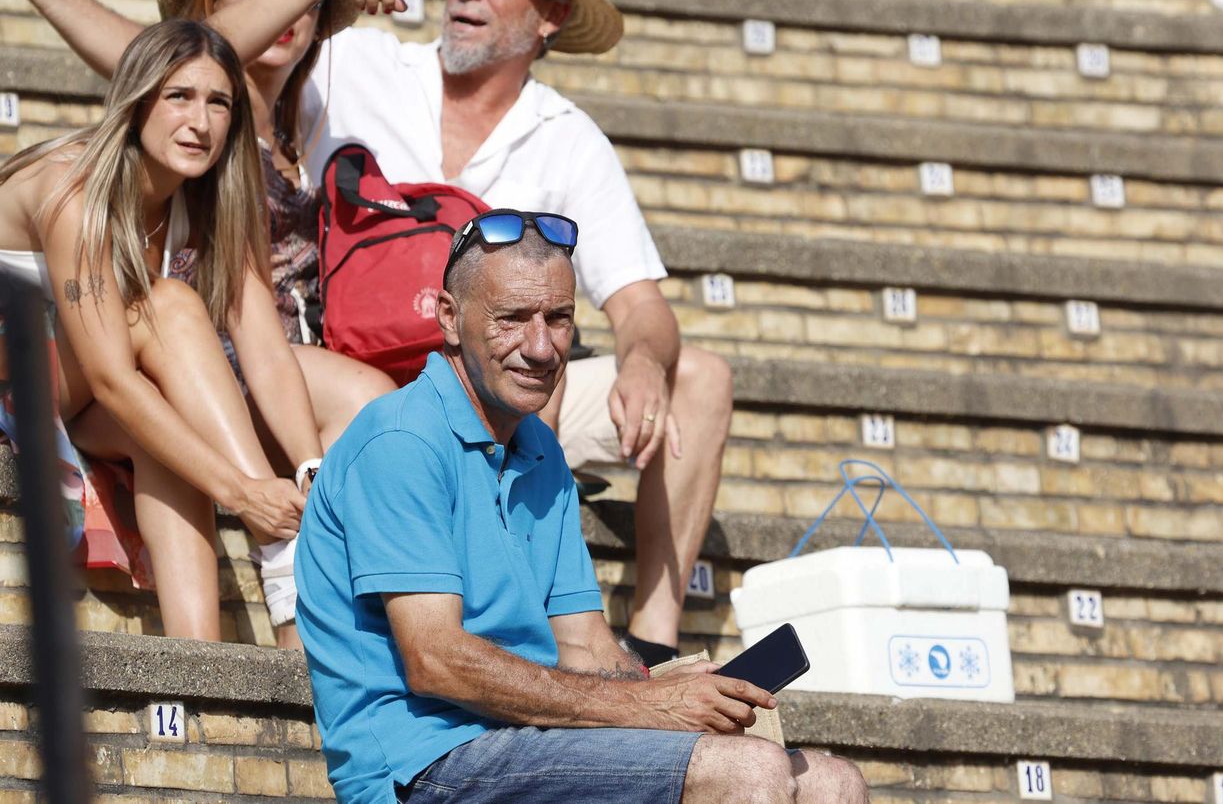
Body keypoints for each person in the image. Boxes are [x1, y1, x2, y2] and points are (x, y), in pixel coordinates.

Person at [0, 0, 734, 662]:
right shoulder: (349, 75)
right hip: (42, 362)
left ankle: (620, 640)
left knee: (665, 376)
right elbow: (180, 57)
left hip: (332, 372)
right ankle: (422, 613)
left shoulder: (563, 136)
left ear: (550, 15)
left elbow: (638, 301)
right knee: (189, 322)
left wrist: (642, 357)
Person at [293, 211, 867, 804]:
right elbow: (436, 660)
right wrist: (646, 705)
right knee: (749, 774)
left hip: (532, 742)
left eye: (559, 319)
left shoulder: (539, 447)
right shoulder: (399, 441)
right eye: (512, 319)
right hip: (424, 765)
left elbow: (585, 643)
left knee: (833, 782)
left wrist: (669, 686)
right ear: (449, 318)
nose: (541, 347)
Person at [0, 18, 318, 645]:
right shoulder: (74, 186)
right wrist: (244, 494)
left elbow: (268, 353)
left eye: (219, 102)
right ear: (137, 101)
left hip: (75, 383)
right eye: (179, 97)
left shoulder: (219, 200)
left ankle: (204, 664)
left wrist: (309, 469)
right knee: (169, 306)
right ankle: (283, 556)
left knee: (169, 424)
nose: (201, 121)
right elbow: (111, 378)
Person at [0, 0, 396, 450]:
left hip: (239, 362)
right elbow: (165, 55)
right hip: (141, 355)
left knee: (378, 406)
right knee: (351, 395)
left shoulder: (318, 124)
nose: (284, 4)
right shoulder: (176, 131)